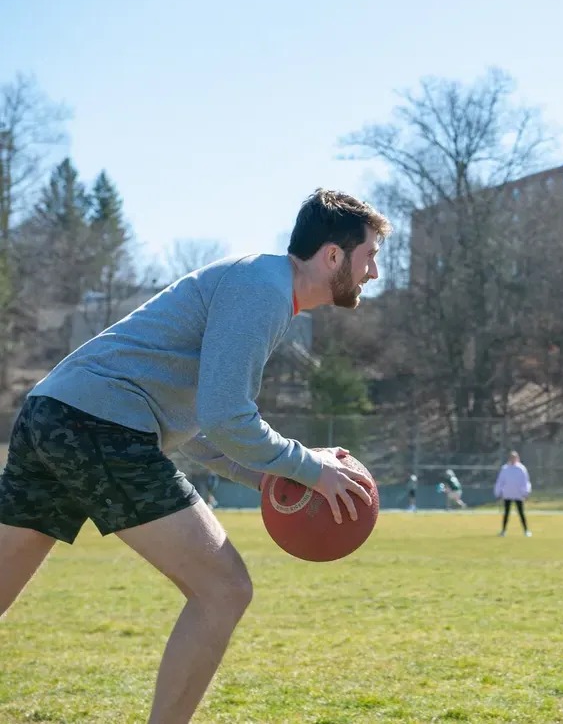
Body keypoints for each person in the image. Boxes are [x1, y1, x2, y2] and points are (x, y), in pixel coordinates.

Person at [0, 188, 390, 723]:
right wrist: (308, 466)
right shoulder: (265, 290)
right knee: (224, 590)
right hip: (98, 425)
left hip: (52, 414)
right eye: (369, 255)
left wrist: (268, 477)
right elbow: (226, 415)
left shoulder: (262, 283)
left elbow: (202, 424)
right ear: (332, 256)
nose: (372, 272)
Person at [494, 451, 531, 537]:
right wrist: (498, 493)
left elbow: (525, 481)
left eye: (514, 458)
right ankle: (503, 531)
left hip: (518, 495)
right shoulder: (505, 469)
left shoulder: (521, 469)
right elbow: (500, 481)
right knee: (506, 513)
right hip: (507, 494)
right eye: (511, 458)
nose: (513, 459)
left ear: (517, 458)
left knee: (521, 513)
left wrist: (526, 492)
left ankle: (526, 531)